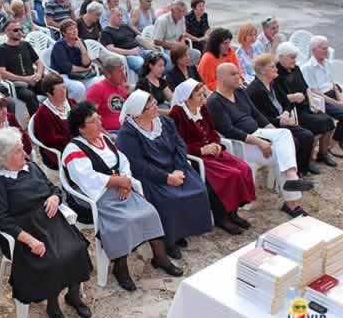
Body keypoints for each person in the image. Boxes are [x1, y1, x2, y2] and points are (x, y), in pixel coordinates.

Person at [64, 101, 182, 291]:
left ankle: (160, 257)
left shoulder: (105, 139)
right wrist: (118, 181)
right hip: (97, 196)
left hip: (120, 187)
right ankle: (120, 268)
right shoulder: (73, 149)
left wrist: (126, 181)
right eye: (93, 121)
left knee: (150, 211)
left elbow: (123, 161)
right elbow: (86, 178)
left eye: (98, 118)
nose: (99, 121)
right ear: (81, 128)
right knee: (122, 223)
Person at [0, 127, 92, 318]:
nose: (24, 152)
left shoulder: (31, 167)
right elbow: (1, 220)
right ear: (3, 157)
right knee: (53, 260)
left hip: (51, 221)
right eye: (17, 151)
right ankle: (53, 306)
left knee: (77, 248)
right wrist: (30, 240)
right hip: (24, 233)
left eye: (22, 147)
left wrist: (54, 198)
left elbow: (54, 188)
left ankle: (73, 296)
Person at [206, 63, 314, 217]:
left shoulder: (240, 93)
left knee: (283, 136)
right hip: (241, 145)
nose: (238, 76)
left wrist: (273, 134)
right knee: (280, 156)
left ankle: (292, 179)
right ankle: (292, 203)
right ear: (221, 77)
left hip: (258, 133)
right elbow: (228, 130)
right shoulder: (214, 102)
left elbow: (257, 115)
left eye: (238, 73)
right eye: (233, 74)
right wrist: (260, 142)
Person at [117, 90, 213, 258]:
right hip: (151, 176)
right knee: (169, 199)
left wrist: (179, 169)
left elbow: (180, 146)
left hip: (175, 168)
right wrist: (166, 178)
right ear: (139, 113)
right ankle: (169, 240)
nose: (156, 107)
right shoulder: (128, 133)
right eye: (151, 106)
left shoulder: (165, 122)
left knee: (198, 190)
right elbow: (137, 165)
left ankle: (182, 231)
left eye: (154, 103)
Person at [169, 79, 256, 234]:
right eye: (199, 95)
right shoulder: (177, 113)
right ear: (188, 97)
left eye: (204, 94)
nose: (203, 98)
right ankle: (221, 217)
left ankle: (233, 212)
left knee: (243, 168)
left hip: (212, 152)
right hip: (196, 157)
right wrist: (201, 150)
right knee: (230, 174)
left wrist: (215, 144)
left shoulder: (201, 108)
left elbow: (213, 132)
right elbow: (177, 144)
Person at [247, 54, 319, 177]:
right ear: (263, 70)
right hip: (270, 127)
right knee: (294, 141)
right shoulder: (255, 90)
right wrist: (280, 122)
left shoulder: (273, 84)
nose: (276, 69)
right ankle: (287, 175)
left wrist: (285, 113)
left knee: (307, 135)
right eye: (272, 67)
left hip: (283, 121)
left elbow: (287, 102)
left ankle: (301, 170)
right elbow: (259, 117)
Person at [301, 35, 343, 157]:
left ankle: (342, 138)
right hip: (322, 99)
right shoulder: (308, 68)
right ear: (314, 50)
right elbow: (314, 92)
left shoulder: (327, 63)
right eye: (322, 48)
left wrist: (340, 97)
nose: (325, 51)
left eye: (327, 48)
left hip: (333, 95)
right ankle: (332, 145)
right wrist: (336, 103)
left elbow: (333, 84)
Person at [274, 42, 337, 168]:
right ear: (281, 57)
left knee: (329, 122)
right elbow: (277, 97)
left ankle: (322, 154)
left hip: (305, 105)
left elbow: (306, 88)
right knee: (317, 127)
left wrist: (313, 104)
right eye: (292, 57)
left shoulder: (296, 68)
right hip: (292, 110)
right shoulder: (276, 73)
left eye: (295, 57)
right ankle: (307, 161)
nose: (294, 60)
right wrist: (293, 97)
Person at [0, 18, 44, 115]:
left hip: (34, 80)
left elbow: (39, 62)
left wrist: (38, 74)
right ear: (6, 32)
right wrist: (25, 79)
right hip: (17, 85)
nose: (19, 32)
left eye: (20, 29)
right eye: (15, 30)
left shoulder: (26, 45)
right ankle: (37, 124)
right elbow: (2, 73)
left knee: (55, 86)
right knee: (30, 96)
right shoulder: (1, 50)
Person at [100, 7, 166, 75]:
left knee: (162, 57)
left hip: (141, 51)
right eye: (118, 15)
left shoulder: (124, 26)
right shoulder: (106, 32)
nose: (121, 18)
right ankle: (147, 83)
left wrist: (154, 49)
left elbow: (140, 39)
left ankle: (165, 80)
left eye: (121, 15)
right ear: (110, 16)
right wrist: (131, 52)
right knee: (142, 65)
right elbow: (111, 49)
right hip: (127, 56)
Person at [51, 19, 101, 102]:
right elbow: (67, 68)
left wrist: (82, 49)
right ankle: (72, 109)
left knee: (95, 82)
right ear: (64, 33)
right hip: (63, 75)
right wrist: (85, 69)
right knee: (79, 88)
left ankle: (88, 107)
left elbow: (87, 63)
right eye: (70, 29)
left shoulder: (80, 42)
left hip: (80, 74)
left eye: (75, 28)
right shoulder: (59, 46)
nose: (74, 31)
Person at [33, 73, 76, 170]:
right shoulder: (43, 114)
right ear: (49, 93)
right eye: (59, 90)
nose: (64, 92)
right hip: (59, 152)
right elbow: (52, 141)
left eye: (64, 88)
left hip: (76, 143)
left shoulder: (71, 102)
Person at [86, 55, 129, 133]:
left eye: (123, 70)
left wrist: (129, 95)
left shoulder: (122, 87)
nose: (123, 75)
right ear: (108, 74)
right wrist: (107, 135)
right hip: (111, 132)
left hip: (126, 129)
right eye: (120, 71)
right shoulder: (97, 89)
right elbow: (89, 118)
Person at [153, 0, 201, 64]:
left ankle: (187, 71)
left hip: (177, 48)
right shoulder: (162, 21)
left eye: (183, 11)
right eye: (179, 11)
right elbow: (157, 41)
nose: (181, 14)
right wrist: (174, 46)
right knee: (171, 60)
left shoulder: (182, 19)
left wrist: (183, 47)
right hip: (165, 49)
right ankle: (177, 72)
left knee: (196, 53)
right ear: (172, 11)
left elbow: (182, 36)